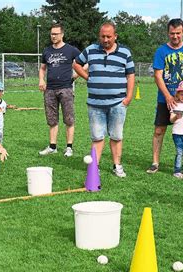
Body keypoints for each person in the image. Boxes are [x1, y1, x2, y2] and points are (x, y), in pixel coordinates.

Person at [73, 21, 135, 177]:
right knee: (97, 137)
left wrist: (128, 97)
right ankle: (95, 167)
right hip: (95, 104)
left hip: (118, 103)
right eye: (102, 36)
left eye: (109, 36)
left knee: (116, 136)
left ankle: (117, 166)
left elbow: (130, 75)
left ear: (115, 36)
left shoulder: (125, 53)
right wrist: (88, 77)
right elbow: (76, 64)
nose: (105, 40)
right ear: (99, 36)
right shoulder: (91, 50)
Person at [146, 18, 183, 174]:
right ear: (168, 33)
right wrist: (167, 96)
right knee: (159, 130)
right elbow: (157, 75)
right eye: (172, 33)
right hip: (165, 99)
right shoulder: (161, 51)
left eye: (178, 33)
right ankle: (155, 162)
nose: (175, 36)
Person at [38, 23, 80, 157]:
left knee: (69, 118)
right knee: (52, 119)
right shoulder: (47, 51)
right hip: (50, 89)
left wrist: (76, 75)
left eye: (56, 34)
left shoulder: (71, 50)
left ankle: (69, 147)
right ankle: (52, 146)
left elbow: (85, 64)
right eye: (52, 34)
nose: (53, 36)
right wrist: (41, 80)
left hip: (66, 88)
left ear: (62, 34)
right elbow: (42, 68)